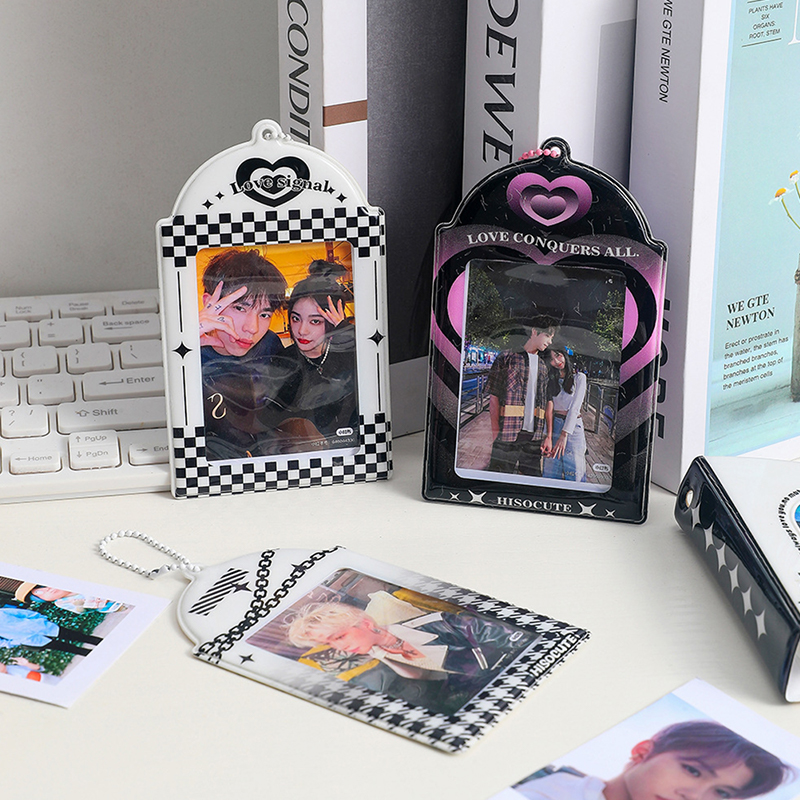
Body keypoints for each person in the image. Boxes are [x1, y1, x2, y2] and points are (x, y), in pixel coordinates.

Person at [286, 591, 534, 716]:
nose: (339, 647)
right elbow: (428, 681)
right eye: (330, 643)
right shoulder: (379, 655)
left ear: (366, 623)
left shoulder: (439, 623)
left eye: (339, 636)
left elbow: (520, 642)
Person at [513, 720, 792, 800]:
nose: (694, 796)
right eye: (693, 771)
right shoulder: (555, 792)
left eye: (722, 793)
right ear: (642, 752)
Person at [198, 248, 291, 460]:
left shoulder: (270, 345)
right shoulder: (189, 356)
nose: (252, 328)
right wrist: (183, 345)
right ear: (209, 303)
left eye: (264, 314)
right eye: (240, 308)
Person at [278, 272, 358, 450]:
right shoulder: (283, 362)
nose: (302, 330)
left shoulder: (349, 356)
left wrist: (346, 332)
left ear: (332, 322)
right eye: (296, 319)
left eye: (315, 321)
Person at [485, 315, 559, 476]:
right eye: (547, 335)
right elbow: (494, 397)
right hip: (507, 433)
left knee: (532, 481)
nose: (550, 341)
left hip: (534, 437)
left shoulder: (543, 366)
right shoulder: (507, 357)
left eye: (551, 338)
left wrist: (548, 436)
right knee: (499, 480)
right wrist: (495, 433)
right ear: (534, 332)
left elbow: (548, 402)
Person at [542, 348, 588, 482]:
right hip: (555, 424)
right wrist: (547, 435)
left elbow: (575, 408)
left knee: (575, 471)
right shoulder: (550, 379)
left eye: (558, 355)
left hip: (573, 428)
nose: (557, 361)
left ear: (564, 355)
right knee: (550, 471)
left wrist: (564, 434)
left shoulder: (579, 378)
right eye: (552, 359)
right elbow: (549, 407)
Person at [0, 604, 102, 657]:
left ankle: (106, 646)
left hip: (44, 627)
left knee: (82, 637)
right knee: (73, 650)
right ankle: (101, 659)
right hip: (32, 640)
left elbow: (24, 613)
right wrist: (17, 641)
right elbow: (2, 643)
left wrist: (41, 619)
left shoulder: (2, 612)